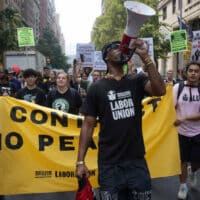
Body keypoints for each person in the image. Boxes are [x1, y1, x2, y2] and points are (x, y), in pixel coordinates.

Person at [75, 38, 166, 200]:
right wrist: (80, 162)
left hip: (136, 162)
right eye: (115, 48)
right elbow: (88, 125)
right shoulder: (96, 87)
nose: (120, 49)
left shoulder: (136, 80)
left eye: (122, 47)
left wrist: (146, 57)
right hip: (109, 165)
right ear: (106, 57)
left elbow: (160, 90)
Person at [173, 61, 200, 200]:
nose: (193, 73)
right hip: (180, 133)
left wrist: (184, 118)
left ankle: (193, 172)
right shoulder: (178, 87)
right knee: (182, 160)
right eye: (191, 71)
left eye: (196, 71)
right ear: (186, 72)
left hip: (198, 133)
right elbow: (169, 108)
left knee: (196, 161)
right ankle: (182, 185)